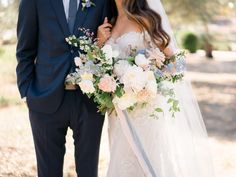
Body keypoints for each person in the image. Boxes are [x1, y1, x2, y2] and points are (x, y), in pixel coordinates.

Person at [103, 0, 216, 176]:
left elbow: (176, 63)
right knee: (121, 162)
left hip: (144, 112)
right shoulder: (108, 21)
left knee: (147, 163)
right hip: (117, 113)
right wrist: (100, 42)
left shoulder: (144, 19)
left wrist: (150, 80)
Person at [16, 0, 111, 176]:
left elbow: (113, 39)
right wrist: (27, 93)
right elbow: (24, 50)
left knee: (88, 171)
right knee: (48, 172)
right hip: (45, 98)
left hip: (89, 100)